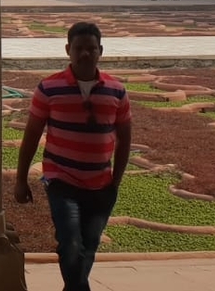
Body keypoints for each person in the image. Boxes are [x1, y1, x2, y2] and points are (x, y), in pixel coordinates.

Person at [14, 21, 133, 291]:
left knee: (88, 247)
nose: (85, 54)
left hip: (101, 183)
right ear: (68, 49)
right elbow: (31, 135)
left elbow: (125, 138)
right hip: (61, 180)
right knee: (70, 243)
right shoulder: (49, 88)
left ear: (100, 51)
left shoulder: (117, 91)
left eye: (91, 49)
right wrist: (21, 179)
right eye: (79, 48)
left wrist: (116, 181)